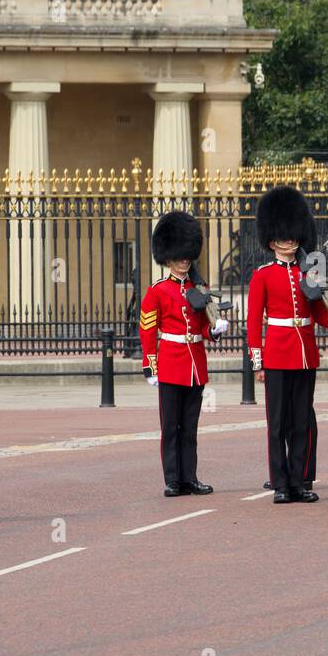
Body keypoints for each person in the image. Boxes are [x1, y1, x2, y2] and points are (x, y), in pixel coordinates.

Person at [247, 185, 328, 504]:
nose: (290, 241)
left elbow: (318, 312)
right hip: (278, 354)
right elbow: (254, 321)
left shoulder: (308, 273)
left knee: (301, 421)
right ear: (273, 241)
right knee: (278, 423)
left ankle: (299, 481)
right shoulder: (263, 275)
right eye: (284, 237)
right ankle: (280, 482)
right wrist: (257, 361)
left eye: (293, 235)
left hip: (305, 354)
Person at [140, 211, 228, 497]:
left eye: (187, 255)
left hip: (195, 364)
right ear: (168, 257)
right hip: (169, 362)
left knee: (190, 428)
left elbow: (202, 328)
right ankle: (173, 480)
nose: (184, 260)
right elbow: (148, 331)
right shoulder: (157, 291)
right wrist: (150, 366)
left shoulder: (199, 289)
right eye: (179, 255)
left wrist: (215, 331)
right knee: (171, 427)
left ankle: (190, 477)